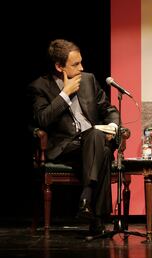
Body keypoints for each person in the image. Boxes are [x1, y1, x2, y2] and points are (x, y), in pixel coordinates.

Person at [28, 39, 120, 235]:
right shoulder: (40, 86)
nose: (82, 68)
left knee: (97, 141)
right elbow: (42, 119)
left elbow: (109, 109)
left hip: (92, 142)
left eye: (81, 62)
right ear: (59, 66)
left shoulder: (88, 79)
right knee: (100, 147)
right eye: (75, 64)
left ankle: (86, 202)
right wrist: (64, 94)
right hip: (66, 146)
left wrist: (113, 125)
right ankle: (97, 219)